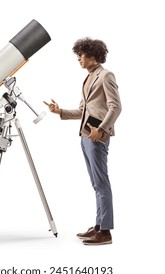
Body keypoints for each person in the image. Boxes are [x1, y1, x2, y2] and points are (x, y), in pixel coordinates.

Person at [44, 38, 121, 245]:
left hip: (97, 137)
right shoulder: (88, 78)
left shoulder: (106, 76)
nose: (79, 58)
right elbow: (82, 111)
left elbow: (116, 107)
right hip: (86, 136)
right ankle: (98, 225)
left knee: (101, 183)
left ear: (93, 56)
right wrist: (59, 111)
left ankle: (105, 232)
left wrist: (102, 130)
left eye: (82, 55)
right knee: (96, 184)